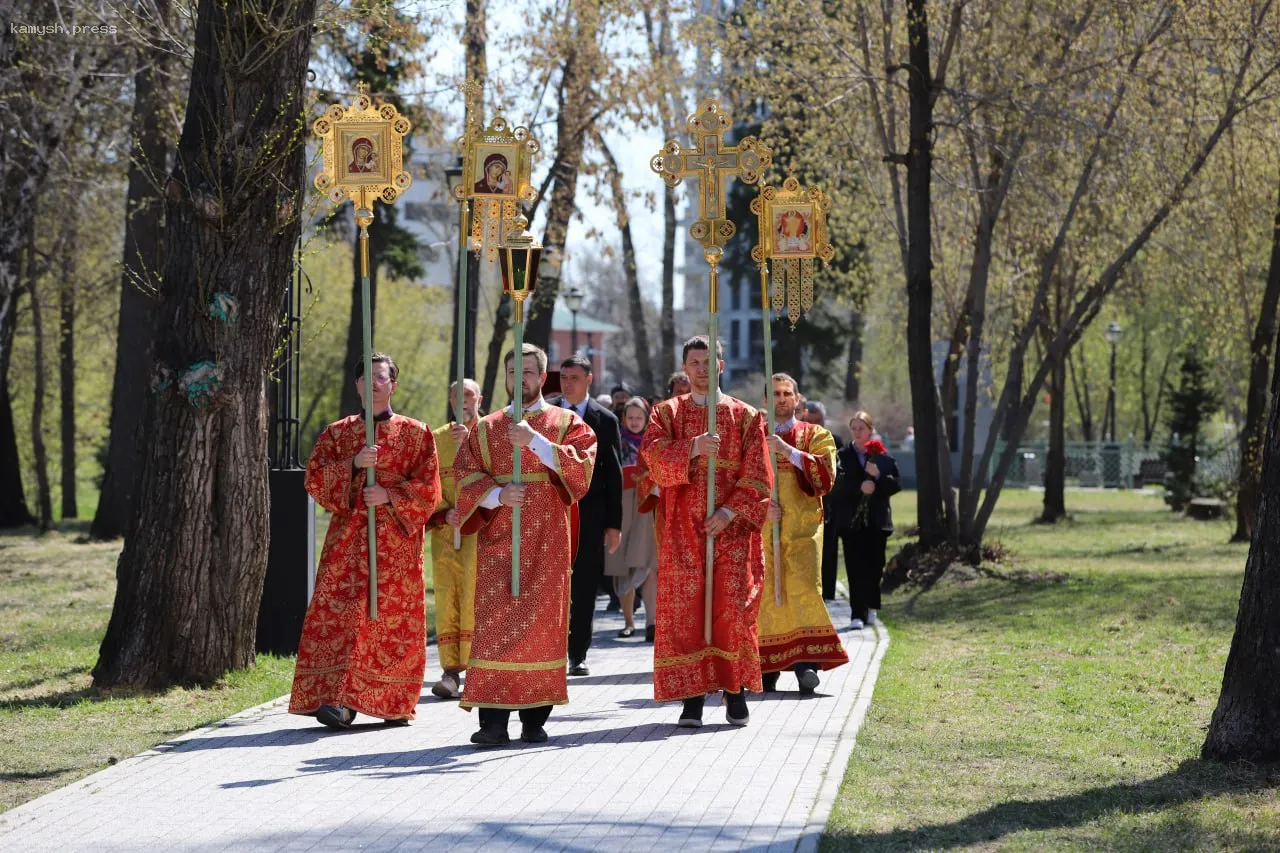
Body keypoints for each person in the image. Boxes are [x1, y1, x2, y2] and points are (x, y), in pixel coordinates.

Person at [454, 344, 597, 745]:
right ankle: (492, 722)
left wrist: (535, 442)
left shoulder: (567, 422)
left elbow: (582, 469)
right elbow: (465, 476)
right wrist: (498, 496)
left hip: (549, 542)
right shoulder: (486, 428)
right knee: (496, 627)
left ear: (542, 376)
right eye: (513, 371)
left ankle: (535, 718)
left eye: (529, 371)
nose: (521, 379)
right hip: (500, 541)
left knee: (540, 628)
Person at [290, 353, 441, 729]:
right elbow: (314, 477)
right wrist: (353, 465)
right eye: (366, 377)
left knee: (389, 622)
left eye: (381, 377)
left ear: (393, 384)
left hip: (396, 549)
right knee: (342, 619)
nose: (373, 383)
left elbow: (430, 488)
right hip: (347, 545)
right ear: (356, 385)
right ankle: (339, 701)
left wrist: (390, 496)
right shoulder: (338, 433)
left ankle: (394, 702)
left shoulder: (416, 432)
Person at [641, 336, 772, 728]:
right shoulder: (667, 413)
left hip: (730, 534)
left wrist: (730, 512)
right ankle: (692, 700)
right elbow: (651, 456)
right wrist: (693, 447)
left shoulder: (745, 416)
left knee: (730, 613)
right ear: (685, 367)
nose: (700, 369)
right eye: (693, 362)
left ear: (720, 364)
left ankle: (735, 694)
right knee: (689, 616)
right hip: (683, 532)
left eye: (706, 361)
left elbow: (759, 478)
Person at [757, 376, 847, 694]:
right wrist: (762, 504)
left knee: (804, 589)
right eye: (775, 394)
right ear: (765, 400)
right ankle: (766, 664)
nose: (781, 399)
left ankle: (805, 663)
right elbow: (739, 476)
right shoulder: (754, 434)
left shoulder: (815, 434)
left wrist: (787, 450)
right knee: (767, 592)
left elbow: (826, 476)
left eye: (787, 394)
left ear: (798, 399)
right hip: (764, 529)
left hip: (804, 531)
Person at [552, 355, 623, 676]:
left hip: (590, 517)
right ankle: (549, 649)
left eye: (575, 377)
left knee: (583, 585)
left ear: (589, 379)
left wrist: (613, 524)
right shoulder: (546, 413)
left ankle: (577, 653)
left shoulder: (604, 419)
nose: (568, 383)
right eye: (564, 377)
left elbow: (614, 475)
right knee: (550, 584)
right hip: (550, 513)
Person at [426, 379, 483, 700]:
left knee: (476, 595)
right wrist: (442, 512)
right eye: (456, 396)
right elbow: (427, 484)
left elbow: (500, 475)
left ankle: (478, 667)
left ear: (480, 399)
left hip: (481, 532)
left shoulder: (490, 433)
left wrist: (472, 443)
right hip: (447, 533)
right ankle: (450, 672)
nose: (462, 401)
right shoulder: (436, 439)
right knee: (448, 595)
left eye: (468, 395)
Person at [831, 411, 901, 630]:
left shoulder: (881, 456)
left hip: (877, 521)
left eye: (862, 428)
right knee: (855, 566)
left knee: (875, 565)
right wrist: (858, 487)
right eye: (854, 428)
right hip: (851, 522)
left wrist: (878, 478)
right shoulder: (842, 456)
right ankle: (856, 614)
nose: (858, 432)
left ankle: (871, 605)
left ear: (870, 430)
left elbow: (896, 485)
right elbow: (835, 486)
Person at [605, 397, 659, 639]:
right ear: (624, 418)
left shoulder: (655, 442)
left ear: (646, 419)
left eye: (639, 417)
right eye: (631, 417)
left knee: (648, 565)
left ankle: (652, 622)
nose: (635, 422)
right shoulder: (615, 440)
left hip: (646, 505)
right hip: (620, 505)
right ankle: (629, 622)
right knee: (622, 567)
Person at [805, 401, 846, 601]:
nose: (814, 424)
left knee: (829, 549)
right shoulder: (800, 438)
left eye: (818, 420)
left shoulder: (834, 440)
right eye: (810, 420)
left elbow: (840, 473)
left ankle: (828, 594)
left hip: (829, 505)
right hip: (804, 504)